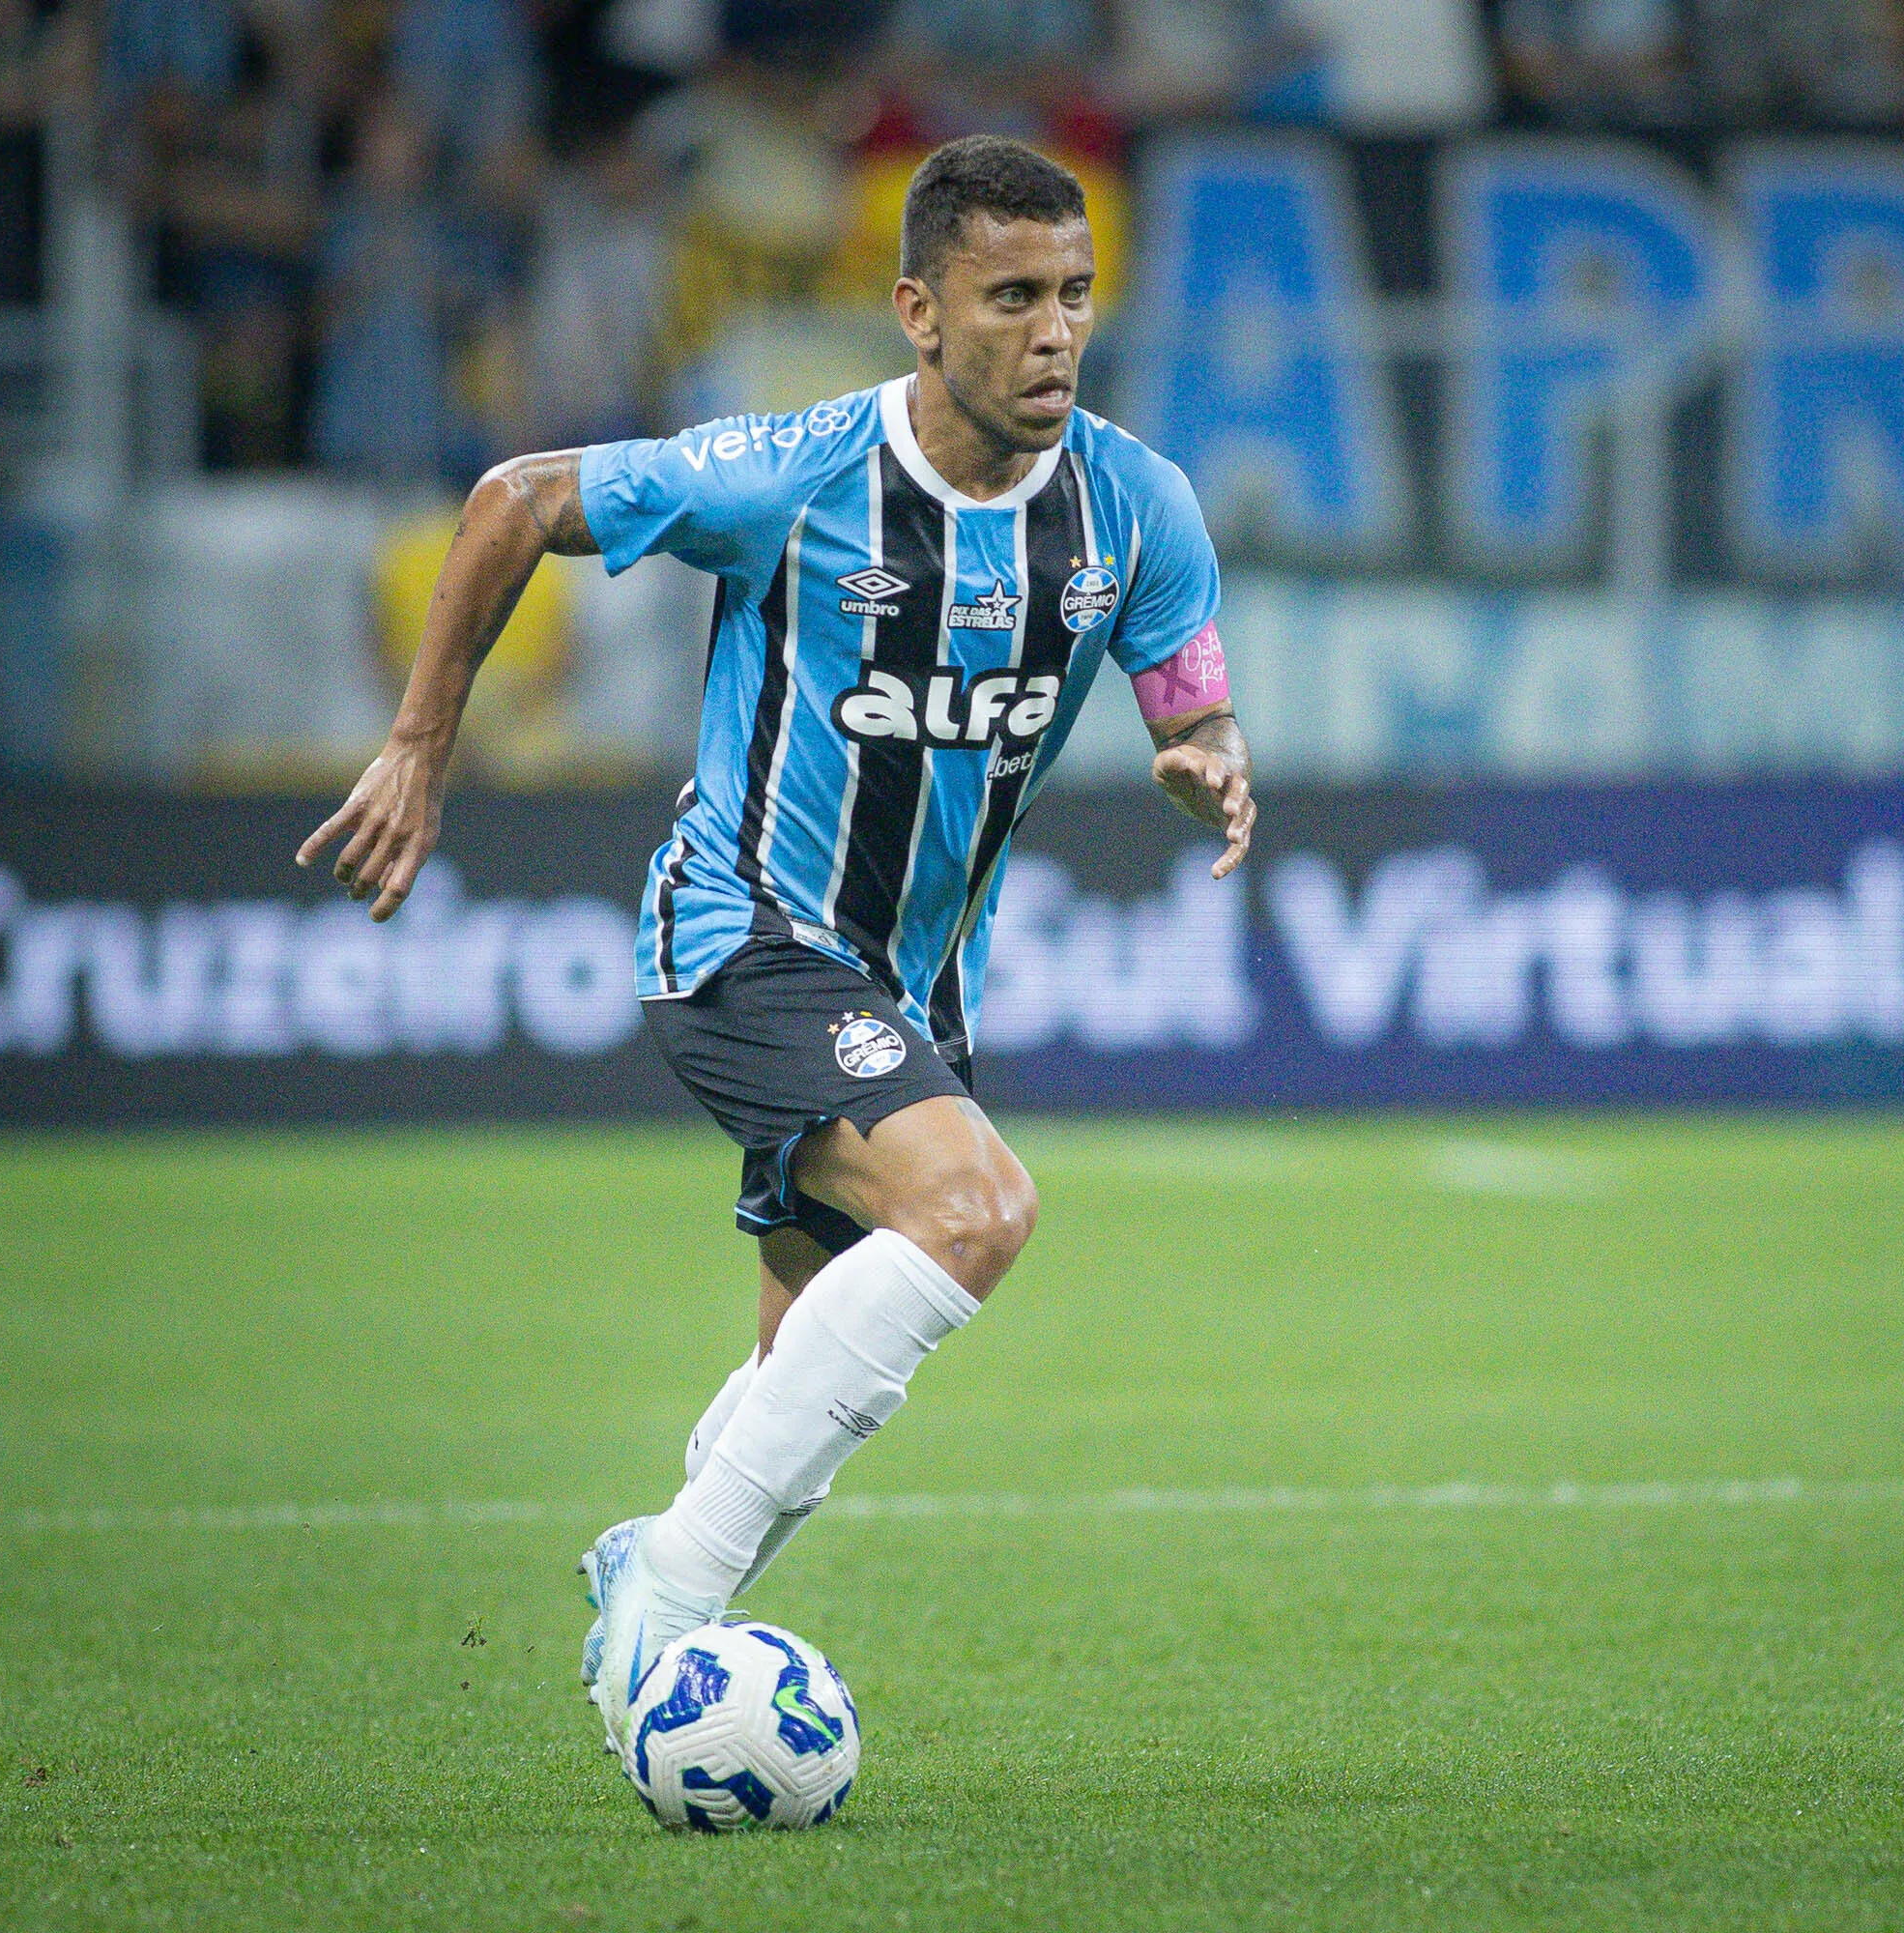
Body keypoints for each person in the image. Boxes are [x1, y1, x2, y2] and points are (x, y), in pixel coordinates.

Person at [293, 134, 1255, 1752]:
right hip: (744, 933)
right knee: (980, 1208)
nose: (1055, 331)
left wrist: (1206, 757)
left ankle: (653, 1561)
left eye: (1076, 294)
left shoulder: (1136, 506)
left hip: (916, 992)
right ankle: (665, 1609)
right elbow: (514, 500)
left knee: (793, 1392)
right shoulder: (800, 473)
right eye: (1011, 296)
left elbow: (1195, 701)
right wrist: (419, 745)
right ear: (917, 312)